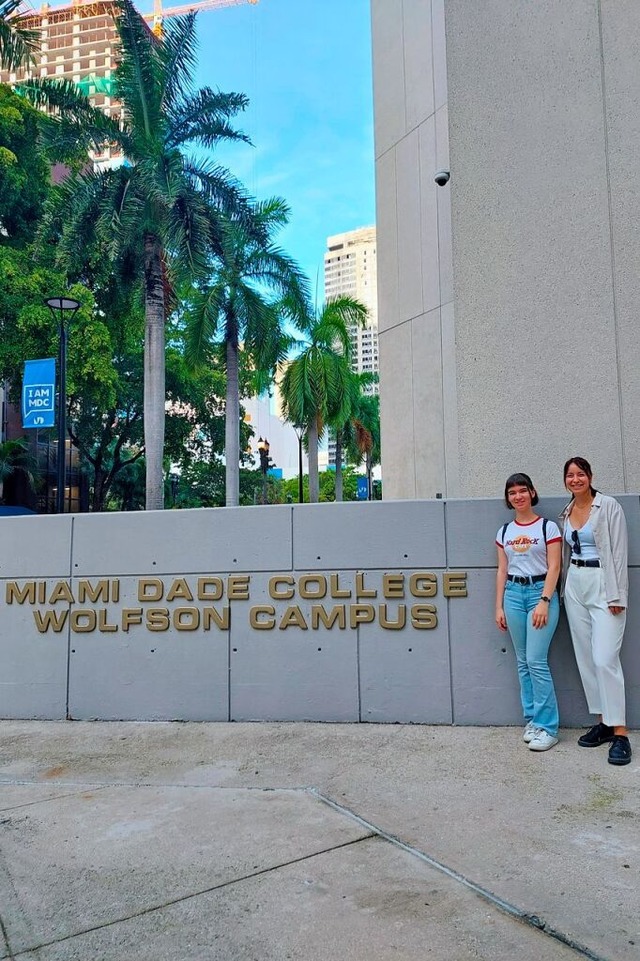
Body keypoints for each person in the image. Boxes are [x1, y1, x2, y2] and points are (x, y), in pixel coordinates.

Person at [560, 457, 631, 766]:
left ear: (590, 476)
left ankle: (621, 733)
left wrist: (618, 594)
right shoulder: (567, 511)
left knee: (605, 658)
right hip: (575, 583)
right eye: (570, 475)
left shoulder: (609, 506)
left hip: (604, 584)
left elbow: (619, 551)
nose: (576, 479)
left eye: (580, 474)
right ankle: (603, 722)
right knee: (587, 658)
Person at [496, 473, 562, 750]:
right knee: (522, 661)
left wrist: (544, 601)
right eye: (512, 493)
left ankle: (548, 727)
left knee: (536, 660)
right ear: (508, 498)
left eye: (523, 491)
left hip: (540, 593)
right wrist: (498, 605)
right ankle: (533, 719)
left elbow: (555, 566)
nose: (518, 496)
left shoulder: (548, 528)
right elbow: (502, 569)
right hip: (513, 594)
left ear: (532, 493)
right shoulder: (504, 532)